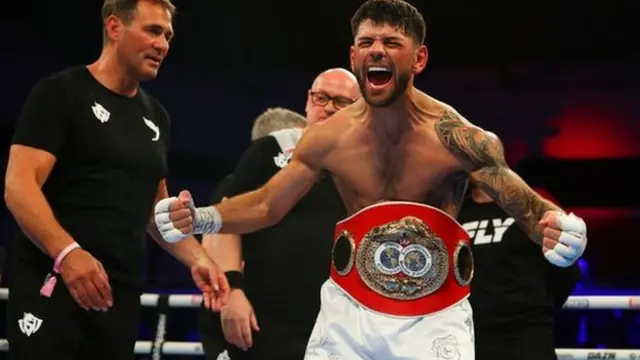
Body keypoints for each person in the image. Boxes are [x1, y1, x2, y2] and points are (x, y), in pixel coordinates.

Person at [155, 0, 588, 358]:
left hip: (433, 315)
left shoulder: (455, 137)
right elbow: (268, 205)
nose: (376, 50)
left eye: (391, 42)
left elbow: (527, 207)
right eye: (366, 42)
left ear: (418, 58)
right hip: (348, 309)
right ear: (353, 56)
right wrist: (203, 217)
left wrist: (563, 232)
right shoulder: (329, 138)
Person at [3, 1, 228, 359]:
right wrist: (67, 254)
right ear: (114, 27)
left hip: (118, 293)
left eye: (168, 35)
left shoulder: (157, 117)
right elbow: (18, 185)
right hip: (53, 280)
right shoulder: (61, 93)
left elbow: (154, 210)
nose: (163, 45)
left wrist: (199, 259)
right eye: (153, 30)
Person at [198, 70, 361, 360]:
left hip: (335, 325)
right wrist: (233, 291)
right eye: (321, 98)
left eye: (342, 102)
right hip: (264, 320)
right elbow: (225, 222)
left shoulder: (367, 170)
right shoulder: (271, 151)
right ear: (308, 102)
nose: (329, 107)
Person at [458, 182, 581, 360]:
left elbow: (566, 270)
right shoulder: (456, 211)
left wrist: (534, 308)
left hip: (527, 337)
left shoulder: (530, 206)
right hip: (472, 339)